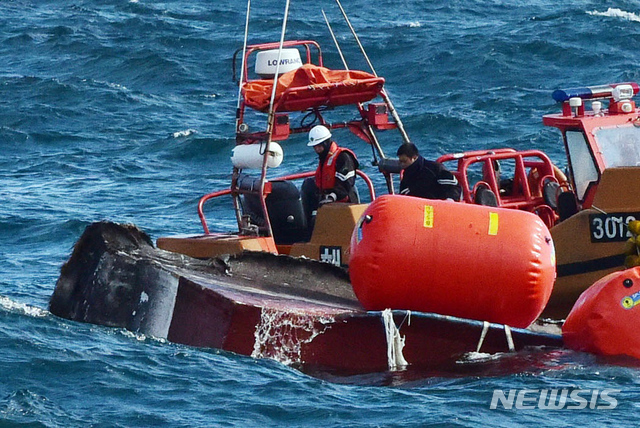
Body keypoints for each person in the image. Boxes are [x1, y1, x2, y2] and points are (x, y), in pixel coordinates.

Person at [301, 125, 359, 224]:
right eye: (315, 146)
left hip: (344, 203)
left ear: (326, 142)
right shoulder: (324, 159)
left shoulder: (343, 157)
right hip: (328, 203)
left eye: (319, 146)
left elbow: (346, 184)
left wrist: (332, 197)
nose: (317, 149)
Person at [396, 142, 461, 200]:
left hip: (440, 207)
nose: (402, 164)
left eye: (404, 161)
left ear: (414, 157)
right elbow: (403, 196)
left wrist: (450, 200)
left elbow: (454, 187)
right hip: (421, 208)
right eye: (400, 161)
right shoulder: (407, 176)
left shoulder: (435, 168)